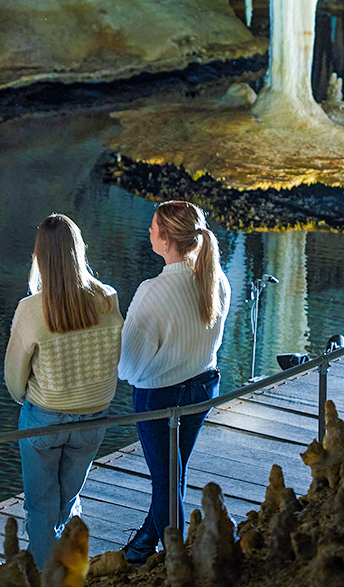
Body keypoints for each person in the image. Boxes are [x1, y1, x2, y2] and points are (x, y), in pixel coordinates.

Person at [3, 214, 123, 567]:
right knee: (68, 499)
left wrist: (22, 396)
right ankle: (71, 572)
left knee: (41, 505)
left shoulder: (31, 310)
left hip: (43, 418)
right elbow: (113, 357)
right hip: (93, 419)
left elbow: (14, 377)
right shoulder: (107, 299)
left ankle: (43, 574)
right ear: (78, 250)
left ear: (39, 257)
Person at [117, 200, 231, 566]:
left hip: (160, 397)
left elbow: (129, 367)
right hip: (203, 388)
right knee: (172, 475)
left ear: (166, 240)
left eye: (154, 227)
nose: (149, 231)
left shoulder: (153, 292)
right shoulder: (217, 280)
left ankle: (176, 558)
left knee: (166, 481)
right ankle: (145, 544)